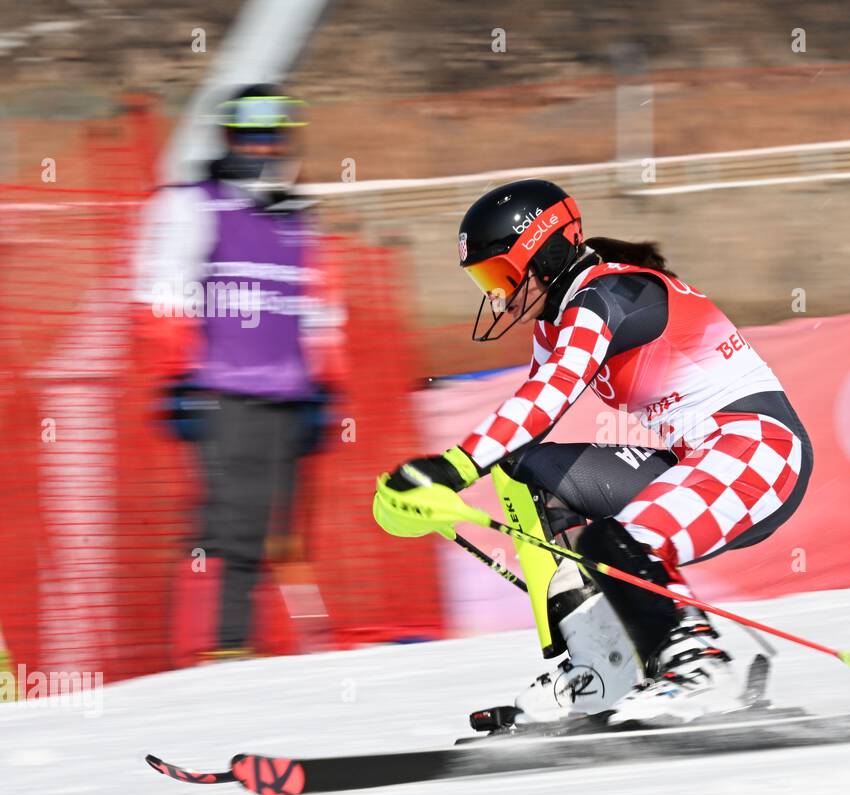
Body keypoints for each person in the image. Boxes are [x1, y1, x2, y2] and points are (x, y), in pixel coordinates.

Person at [378, 179, 812, 721]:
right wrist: (434, 494)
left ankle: (698, 667)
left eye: (501, 275)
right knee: (525, 469)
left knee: (617, 539)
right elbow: (525, 431)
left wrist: (450, 468)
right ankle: (596, 668)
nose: (497, 295)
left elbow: (548, 394)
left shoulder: (607, 295)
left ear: (546, 252)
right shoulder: (557, 319)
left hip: (761, 450)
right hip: (697, 458)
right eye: (485, 280)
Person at [134, 84, 342, 660]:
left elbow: (319, 305)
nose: (260, 148)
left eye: (271, 135)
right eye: (248, 136)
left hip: (289, 394)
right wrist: (181, 377)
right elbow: (161, 289)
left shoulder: (296, 218)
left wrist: (323, 383)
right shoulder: (194, 203)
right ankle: (216, 658)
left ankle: (278, 654)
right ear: (229, 138)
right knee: (231, 528)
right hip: (224, 390)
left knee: (284, 534)